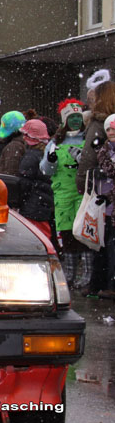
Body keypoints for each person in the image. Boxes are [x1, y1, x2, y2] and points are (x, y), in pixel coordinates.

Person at [40, 98, 92, 291]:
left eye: (79, 117)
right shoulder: (55, 142)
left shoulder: (88, 139)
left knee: (85, 234)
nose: (76, 121)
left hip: (84, 193)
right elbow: (46, 170)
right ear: (65, 120)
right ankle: (69, 275)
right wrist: (51, 160)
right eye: (72, 117)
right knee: (68, 234)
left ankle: (87, 275)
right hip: (62, 194)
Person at [76, 78, 115, 298]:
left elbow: (89, 159)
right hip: (106, 187)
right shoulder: (104, 123)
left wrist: (82, 183)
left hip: (101, 187)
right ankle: (102, 282)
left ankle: (102, 283)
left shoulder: (97, 124)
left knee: (102, 238)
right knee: (105, 237)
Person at [14, 119, 54, 241]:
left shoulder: (30, 156)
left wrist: (18, 201)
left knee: (34, 239)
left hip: (33, 206)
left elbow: (24, 182)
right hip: (45, 204)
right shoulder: (47, 153)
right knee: (44, 237)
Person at [92, 113, 115, 300]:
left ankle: (110, 284)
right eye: (108, 129)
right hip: (105, 206)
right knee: (104, 246)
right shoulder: (103, 150)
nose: (110, 132)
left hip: (110, 201)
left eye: (113, 129)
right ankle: (100, 283)